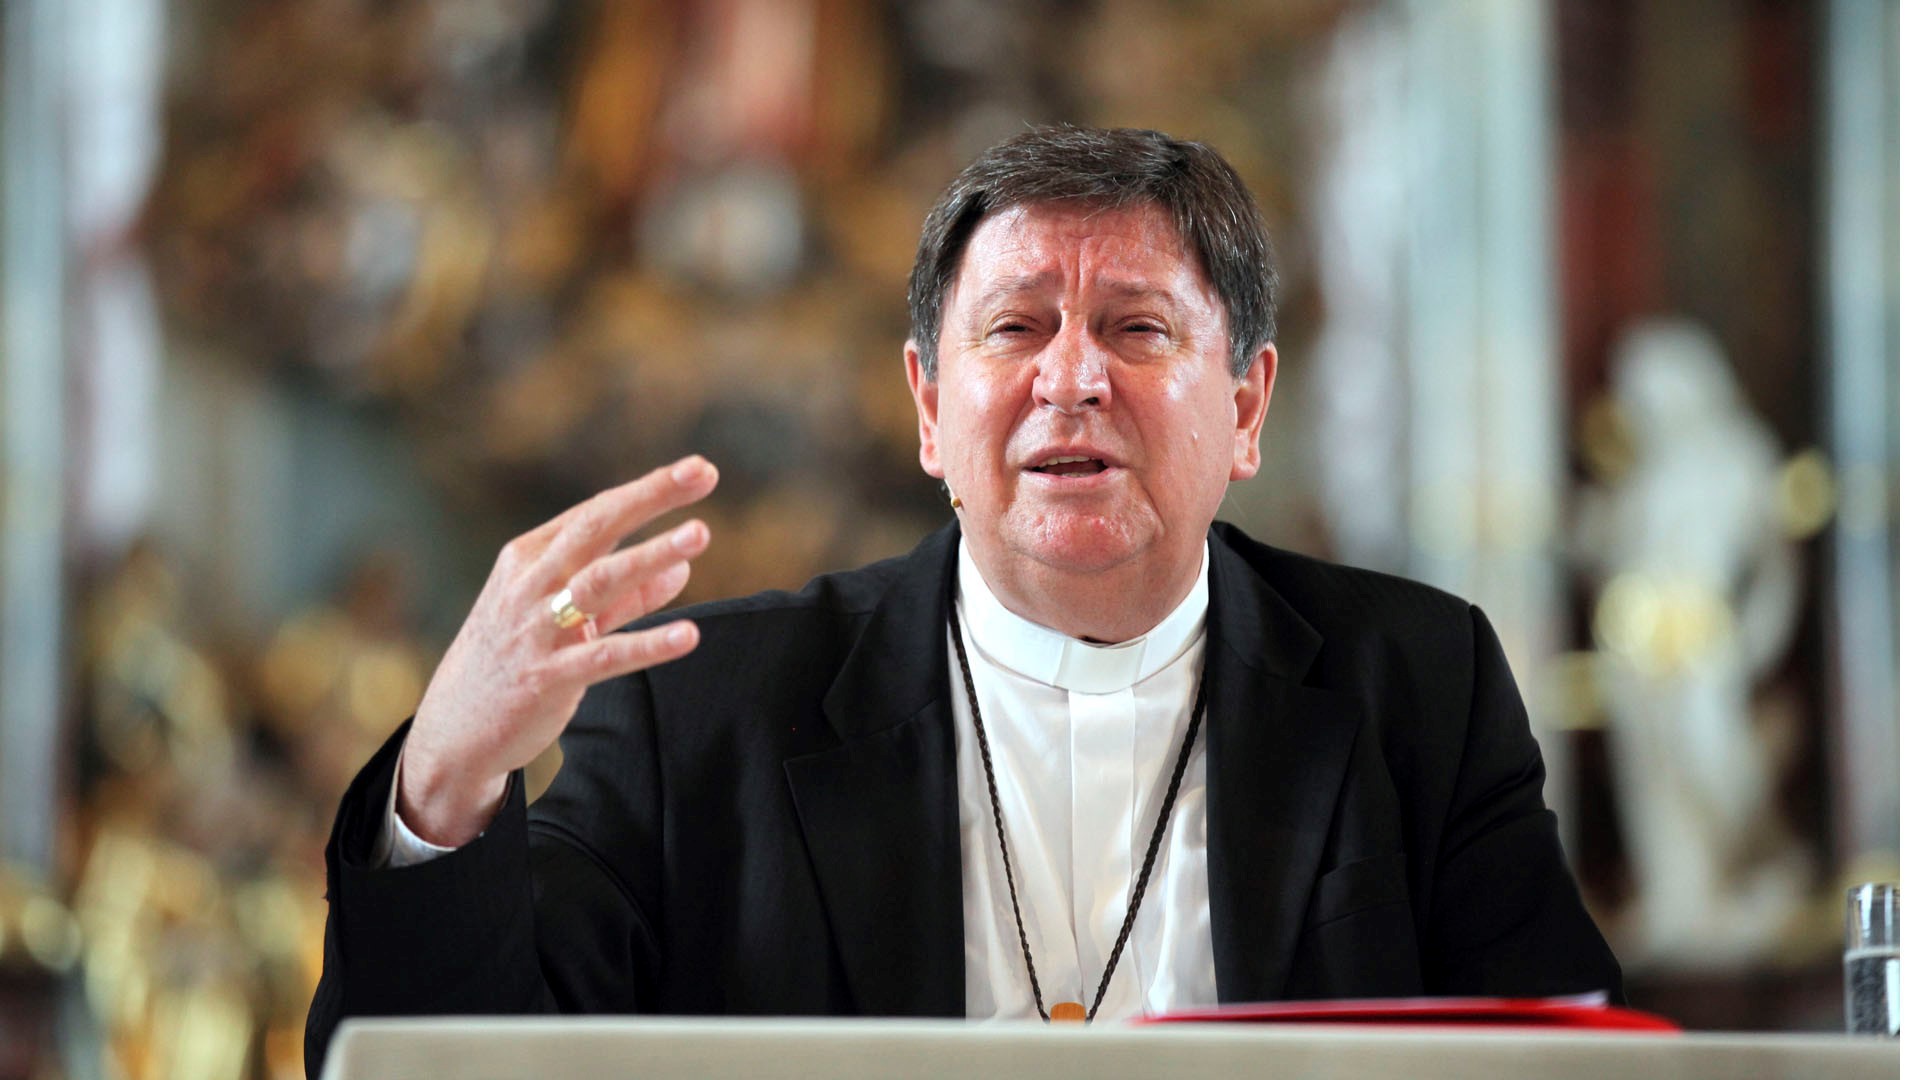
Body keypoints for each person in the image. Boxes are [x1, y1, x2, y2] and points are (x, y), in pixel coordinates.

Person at [305, 125, 1620, 1077]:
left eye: (1139, 329)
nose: (1070, 380)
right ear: (932, 409)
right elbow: (455, 1065)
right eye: (1014, 328)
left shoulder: (1415, 686)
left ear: (1250, 405)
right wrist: (445, 778)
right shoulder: (706, 708)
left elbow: (1562, 1053)